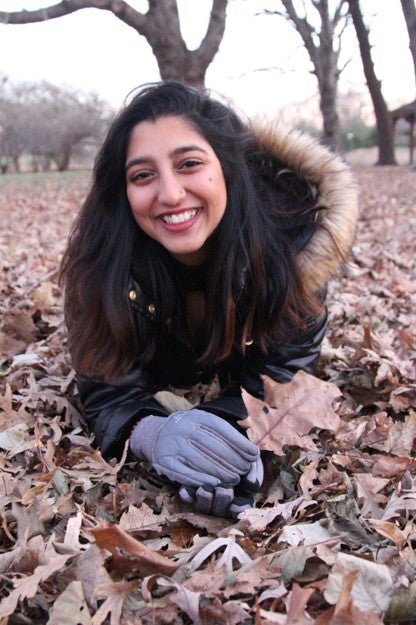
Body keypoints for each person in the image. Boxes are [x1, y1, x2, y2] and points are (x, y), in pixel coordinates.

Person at [61, 81, 358, 519]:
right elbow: (106, 391)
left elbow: (282, 375)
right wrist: (153, 433)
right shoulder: (103, 264)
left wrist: (225, 435)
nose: (170, 194)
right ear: (122, 190)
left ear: (228, 168)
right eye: (143, 175)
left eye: (189, 164)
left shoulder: (294, 251)